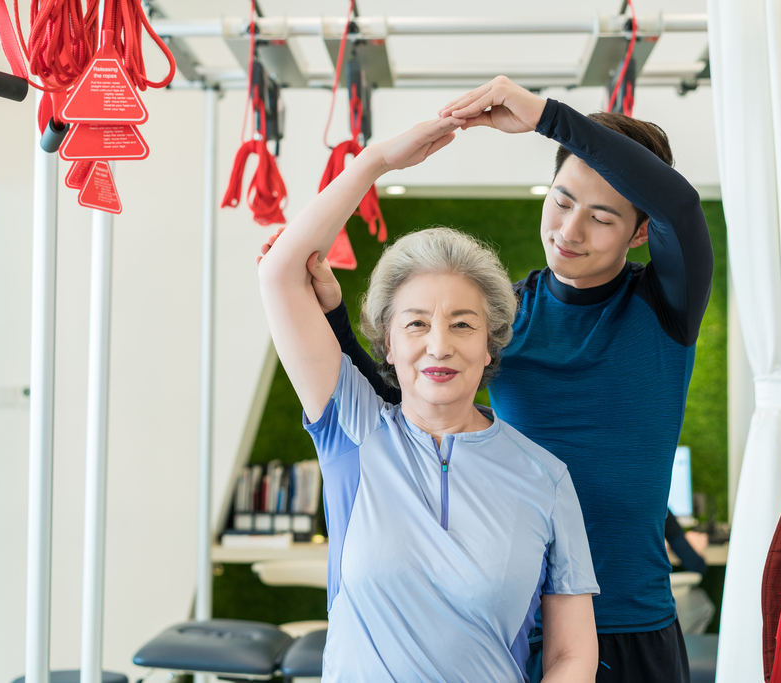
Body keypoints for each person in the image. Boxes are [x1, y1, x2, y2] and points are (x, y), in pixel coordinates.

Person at [271, 77, 714, 682]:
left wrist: (545, 116)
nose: (570, 230)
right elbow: (408, 398)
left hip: (632, 620)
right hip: (516, 617)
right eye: (561, 200)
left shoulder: (664, 305)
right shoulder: (509, 312)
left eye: (601, 217)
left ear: (640, 232)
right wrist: (333, 324)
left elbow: (681, 207)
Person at [256, 116, 600, 682]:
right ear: (388, 344)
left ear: (490, 346)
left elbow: (570, 654)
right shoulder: (354, 430)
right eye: (416, 324)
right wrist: (375, 162)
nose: (439, 346)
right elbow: (280, 272)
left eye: (463, 325)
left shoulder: (546, 478)